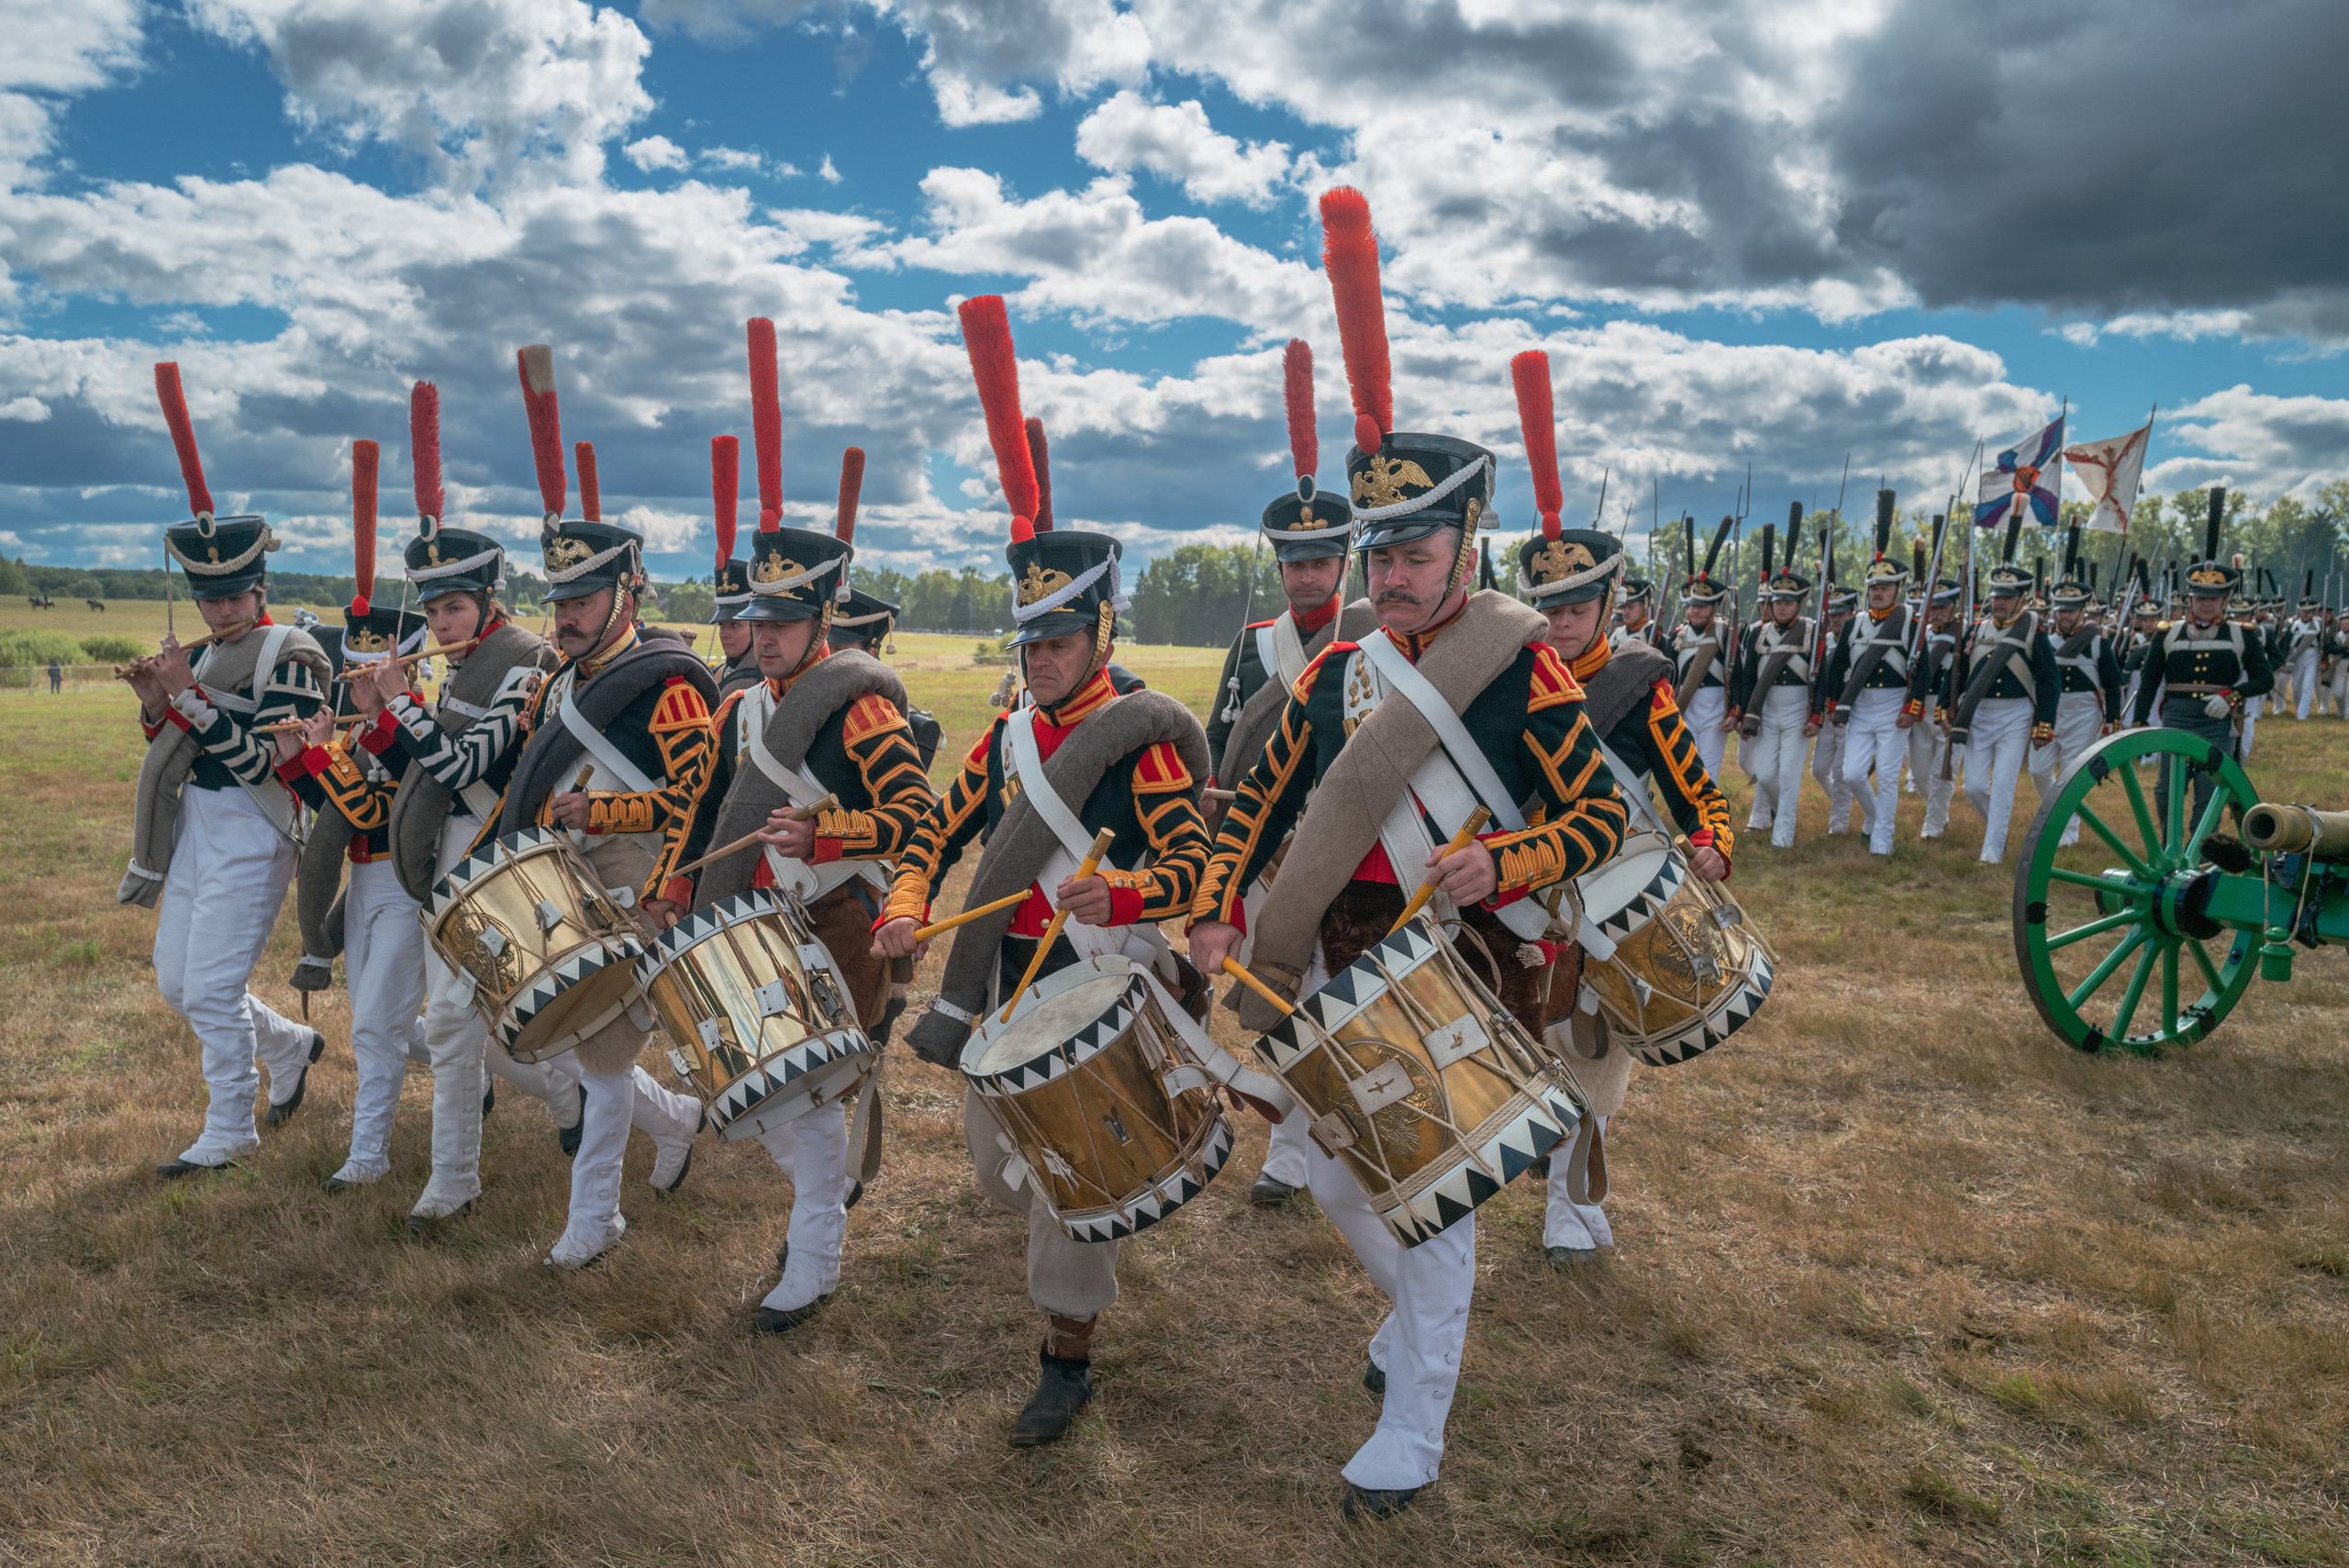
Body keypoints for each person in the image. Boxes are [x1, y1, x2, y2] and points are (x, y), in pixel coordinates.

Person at [1186, 239, 1629, 1519]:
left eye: (1417, 551)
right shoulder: (1329, 679)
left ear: (1467, 541)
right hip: (1336, 960)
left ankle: (1419, 1416)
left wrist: (1513, 857)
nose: (1392, 576)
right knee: (1332, 1173)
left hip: (1467, 955)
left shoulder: (1525, 671)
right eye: (1380, 553)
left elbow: (1600, 813)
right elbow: (1253, 804)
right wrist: (1221, 897)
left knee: (1435, 1196)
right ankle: (1417, 1326)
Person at [878, 295, 1211, 1451]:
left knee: (1067, 1176)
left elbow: (1195, 866)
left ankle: (1067, 1353)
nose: (1040, 658)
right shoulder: (1010, 733)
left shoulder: (1146, 734)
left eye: (1059, 640)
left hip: (1099, 974)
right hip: (1003, 978)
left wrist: (1122, 896)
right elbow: (934, 822)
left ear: (1101, 632)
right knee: (995, 1161)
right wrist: (912, 901)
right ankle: (1095, 1216)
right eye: (1029, 642)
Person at [377, 349, 710, 1267]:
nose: (565, 613)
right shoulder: (550, 681)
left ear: (627, 592)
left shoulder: (667, 686)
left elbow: (695, 799)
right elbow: (514, 779)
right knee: (571, 1036)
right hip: (549, 871)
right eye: (558, 596)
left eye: (585, 595)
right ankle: (671, 1121)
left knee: (599, 1051)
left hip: (634, 878)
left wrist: (606, 823)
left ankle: (594, 1216)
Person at [682, 414, 938, 1333]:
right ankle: (820, 1212)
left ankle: (814, 1259)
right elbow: (706, 813)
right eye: (760, 619)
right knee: (768, 1093)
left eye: (786, 621)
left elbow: (920, 817)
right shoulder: (742, 708)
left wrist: (830, 833)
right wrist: (674, 886)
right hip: (754, 921)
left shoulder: (862, 707)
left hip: (836, 918)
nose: (769, 635)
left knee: (814, 1100)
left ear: (820, 619)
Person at [357, 382, 583, 1232]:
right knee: (462, 1026)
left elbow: (460, 765)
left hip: (501, 858)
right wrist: (382, 718)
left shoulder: (524, 661)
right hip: (452, 857)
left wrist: (404, 709)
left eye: (454, 606)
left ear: (488, 600)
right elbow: (416, 775)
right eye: (434, 607)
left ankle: (627, 1112)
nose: (442, 621)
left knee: (500, 1020)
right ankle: (455, 1176)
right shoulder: (461, 666)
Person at [119, 363, 331, 1176]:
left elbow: (263, 766)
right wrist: (156, 703)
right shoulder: (204, 652)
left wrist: (192, 696)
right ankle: (293, 1044)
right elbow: (178, 750)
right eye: (209, 596)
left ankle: (230, 1124)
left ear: (260, 586)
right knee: (178, 981)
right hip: (198, 825)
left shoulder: (291, 651)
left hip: (257, 823)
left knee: (210, 985)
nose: (219, 609)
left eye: (233, 593)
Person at [1518, 506, 1729, 1267]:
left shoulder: (1639, 684)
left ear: (1607, 606)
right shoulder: (1515, 676)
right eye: (1550, 609)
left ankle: (1570, 1203)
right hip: (1523, 887)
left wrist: (1713, 841)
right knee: (1534, 1041)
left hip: (1615, 887)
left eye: (1576, 609)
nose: (1562, 623)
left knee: (1597, 1048)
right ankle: (1567, 1184)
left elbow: (1694, 787)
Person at [1202, 338, 1377, 1207]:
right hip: (1266, 850)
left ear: (1344, 561)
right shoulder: (1250, 651)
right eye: (1293, 562)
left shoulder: (1373, 643)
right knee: (1276, 997)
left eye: (1320, 560)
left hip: (1348, 847)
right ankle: (1288, 1155)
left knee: (1339, 999)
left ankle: (1342, 1148)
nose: (1306, 574)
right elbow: (1220, 747)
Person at [280, 440, 434, 1193]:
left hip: (406, 888)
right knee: (396, 1026)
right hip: (366, 887)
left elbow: (376, 809)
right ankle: (520, 1076)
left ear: (402, 664)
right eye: (357, 668)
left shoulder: (414, 728)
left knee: (375, 1027)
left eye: (374, 672)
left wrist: (321, 760)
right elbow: (338, 817)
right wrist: (297, 760)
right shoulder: (362, 731)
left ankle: (368, 1157)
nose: (360, 682)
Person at [2128, 503, 2271, 830]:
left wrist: (2233, 695)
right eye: (2200, 597)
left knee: (2208, 795)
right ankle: (2169, 850)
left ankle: (2204, 854)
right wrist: (2138, 721)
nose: (2206, 604)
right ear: (2189, 599)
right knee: (2166, 792)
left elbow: (2264, 679)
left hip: (2216, 722)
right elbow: (2149, 681)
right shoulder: (2167, 634)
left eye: (2214, 598)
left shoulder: (2241, 636)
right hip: (2175, 717)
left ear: (2225, 600)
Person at [1943, 555, 2058, 864]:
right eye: (1996, 596)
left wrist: (2043, 724)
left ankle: (1992, 850)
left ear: (2022, 599)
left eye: (2007, 598)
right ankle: (1999, 830)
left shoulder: (2034, 630)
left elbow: (2049, 681)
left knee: (2004, 783)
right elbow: (1956, 673)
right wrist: (1945, 707)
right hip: (1978, 714)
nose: (1999, 603)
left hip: (2016, 714)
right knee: (1974, 787)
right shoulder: (1975, 631)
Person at [1821, 495, 1914, 856]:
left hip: (1893, 705)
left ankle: (1883, 840)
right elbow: (1838, 666)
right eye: (1874, 588)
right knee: (1853, 773)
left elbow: (1918, 670)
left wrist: (1914, 705)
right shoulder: (1855, 624)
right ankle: (1875, 817)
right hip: (1859, 706)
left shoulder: (1909, 622)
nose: (1878, 593)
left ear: (1897, 590)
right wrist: (1834, 703)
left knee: (1889, 777)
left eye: (1885, 588)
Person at [1731, 556, 1818, 851]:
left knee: (1790, 775)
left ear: (1800, 603)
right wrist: (1743, 713)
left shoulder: (1811, 631)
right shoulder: (1758, 633)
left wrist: (1815, 714)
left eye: (1788, 601)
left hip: (1797, 709)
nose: (1781, 606)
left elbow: (1823, 675)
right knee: (1766, 774)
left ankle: (1783, 836)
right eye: (1777, 600)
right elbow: (1746, 678)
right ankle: (1781, 816)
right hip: (1766, 711)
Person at [2034, 568, 2124, 846]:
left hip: (2084, 711)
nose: (2065, 615)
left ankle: (2069, 830)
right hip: (2052, 710)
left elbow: (2112, 685)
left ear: (2083, 610)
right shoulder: (2047, 643)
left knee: (2071, 771)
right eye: (2061, 610)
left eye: (2071, 610)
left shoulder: (2098, 643)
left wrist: (2112, 720)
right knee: (2038, 769)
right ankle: (2055, 813)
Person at [1667, 528, 1736, 783]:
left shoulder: (1724, 632)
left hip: (1715, 705)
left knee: (1709, 769)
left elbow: (1737, 672)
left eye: (1701, 606)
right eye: (1692, 605)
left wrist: (1735, 711)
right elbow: (1671, 673)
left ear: (1714, 607)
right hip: (1685, 704)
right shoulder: (1678, 635)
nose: (1695, 610)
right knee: (1687, 767)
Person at [1900, 575, 1963, 840]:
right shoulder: (1919, 636)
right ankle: (1939, 814)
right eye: (1933, 607)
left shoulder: (1964, 635)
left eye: (1942, 607)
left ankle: (1933, 827)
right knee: (1921, 773)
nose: (1937, 613)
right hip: (1920, 708)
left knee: (1942, 772)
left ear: (1954, 607)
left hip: (1950, 709)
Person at [1809, 581, 1873, 839]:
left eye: (1840, 613)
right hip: (1827, 714)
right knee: (1818, 769)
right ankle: (1847, 801)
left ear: (1853, 613)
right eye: (1831, 613)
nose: (1835, 619)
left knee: (1841, 770)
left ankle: (1839, 824)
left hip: (1851, 714)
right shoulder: (1822, 642)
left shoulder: (1862, 640)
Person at [2284, 593, 2326, 721]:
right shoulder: (2295, 625)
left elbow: (2324, 643)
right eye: (2303, 611)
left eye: (2308, 611)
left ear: (2313, 612)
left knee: (2308, 685)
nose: (2305, 614)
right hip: (2296, 656)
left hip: (2313, 655)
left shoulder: (2318, 625)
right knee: (2296, 686)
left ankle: (2302, 714)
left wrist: (2324, 659)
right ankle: (2300, 708)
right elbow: (2286, 642)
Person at [1609, 572, 1659, 651]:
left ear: (1645, 607)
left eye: (1630, 607)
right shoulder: (1613, 635)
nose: (1625, 612)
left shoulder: (1655, 635)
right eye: (1623, 607)